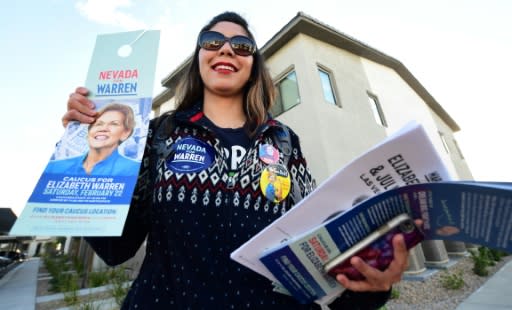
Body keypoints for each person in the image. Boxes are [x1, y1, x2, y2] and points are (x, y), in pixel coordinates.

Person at [63, 11, 414, 309]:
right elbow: (115, 247)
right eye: (212, 41)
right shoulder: (156, 133)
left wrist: (371, 288)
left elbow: (314, 258)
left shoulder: (286, 141)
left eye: (242, 45)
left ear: (253, 65)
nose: (227, 48)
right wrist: (86, 148)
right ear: (199, 58)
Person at [48, 103, 140, 176]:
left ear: (125, 133)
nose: (103, 128)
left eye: (114, 124)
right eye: (99, 124)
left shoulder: (133, 169)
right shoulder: (55, 168)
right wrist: (69, 130)